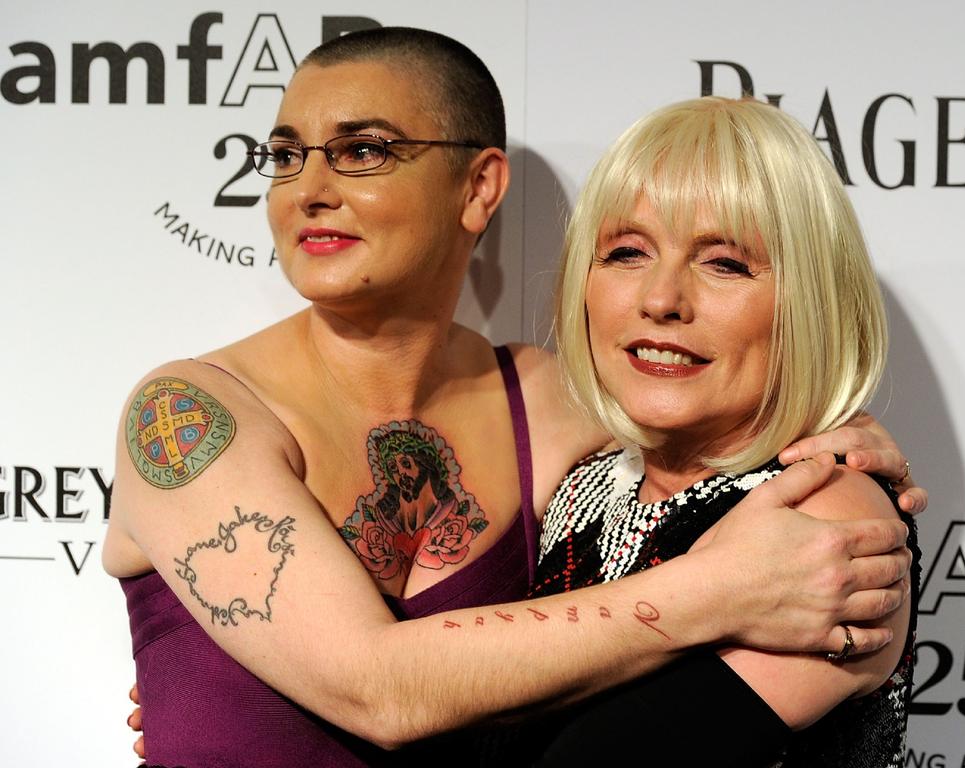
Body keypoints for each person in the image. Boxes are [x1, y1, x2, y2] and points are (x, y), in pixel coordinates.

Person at [104, 28, 920, 767]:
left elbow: (721, 421)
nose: (309, 188)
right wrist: (721, 590)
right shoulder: (184, 416)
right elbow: (379, 691)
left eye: (364, 151)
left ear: (479, 187)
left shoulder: (554, 406)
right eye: (287, 154)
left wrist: (840, 441)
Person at [488, 96, 920, 766]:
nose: (661, 300)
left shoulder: (824, 512)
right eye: (627, 252)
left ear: (809, 302)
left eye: (724, 263)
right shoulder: (585, 483)